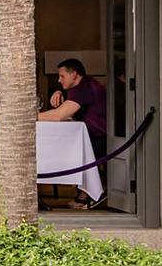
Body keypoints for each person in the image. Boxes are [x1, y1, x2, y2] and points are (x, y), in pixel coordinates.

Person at [38, 58, 107, 209]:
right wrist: (60, 91)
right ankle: (86, 192)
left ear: (74, 74)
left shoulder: (84, 88)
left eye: (62, 76)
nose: (59, 80)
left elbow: (59, 115)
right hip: (98, 136)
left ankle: (92, 193)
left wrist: (29, 117)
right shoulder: (86, 84)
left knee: (62, 151)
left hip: (101, 139)